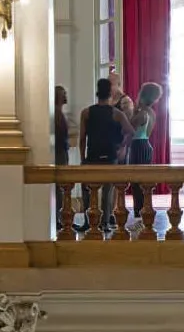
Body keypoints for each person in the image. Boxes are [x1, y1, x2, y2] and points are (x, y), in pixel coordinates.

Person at [81, 77, 130, 229]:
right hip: (110, 156)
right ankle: (105, 222)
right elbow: (130, 132)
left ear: (97, 92)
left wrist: (83, 159)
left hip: (93, 155)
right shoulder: (116, 113)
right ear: (110, 93)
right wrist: (122, 147)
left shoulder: (87, 112)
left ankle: (89, 222)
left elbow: (82, 139)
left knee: (88, 191)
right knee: (107, 192)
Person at [126, 82, 160, 223]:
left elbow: (127, 128)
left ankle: (140, 217)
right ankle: (144, 214)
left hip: (138, 146)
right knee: (142, 183)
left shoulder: (142, 114)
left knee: (136, 183)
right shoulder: (151, 112)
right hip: (146, 144)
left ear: (143, 95)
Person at [53, 85, 70, 165]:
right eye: (64, 93)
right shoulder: (57, 113)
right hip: (59, 151)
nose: (65, 95)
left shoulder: (59, 112)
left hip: (62, 150)